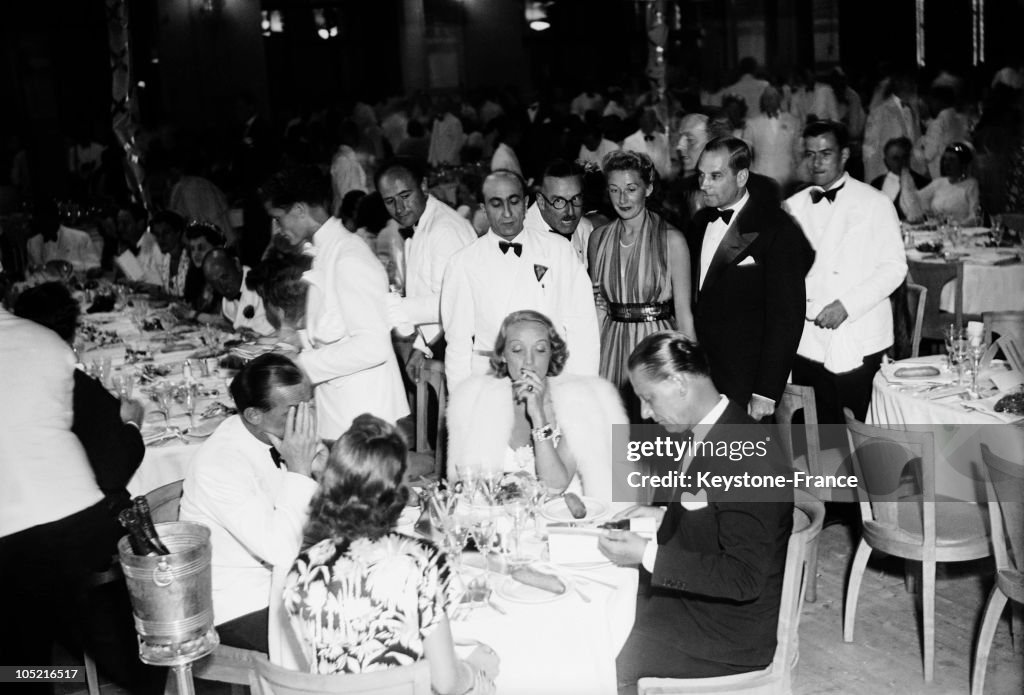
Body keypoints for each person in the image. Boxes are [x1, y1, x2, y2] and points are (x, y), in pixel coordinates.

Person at [599, 332, 793, 695]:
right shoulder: (705, 430)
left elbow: (744, 578)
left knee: (596, 660)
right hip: (695, 605)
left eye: (648, 398)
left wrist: (646, 554)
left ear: (678, 383)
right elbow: (711, 517)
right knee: (594, 618)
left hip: (725, 636)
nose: (644, 411)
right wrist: (662, 517)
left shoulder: (747, 455)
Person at [0, 295, 162, 694]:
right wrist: (131, 429)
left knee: (20, 669)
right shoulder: (44, 342)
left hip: (9, 545)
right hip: (80, 525)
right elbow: (111, 460)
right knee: (134, 664)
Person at [283, 414, 499, 694]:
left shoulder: (301, 569)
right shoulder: (421, 560)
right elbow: (446, 684)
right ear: (399, 490)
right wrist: (475, 669)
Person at [180, 354, 325, 653]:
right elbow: (280, 549)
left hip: (292, 577)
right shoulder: (220, 464)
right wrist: (299, 470)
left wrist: (323, 472)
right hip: (242, 602)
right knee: (351, 633)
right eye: (294, 412)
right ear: (254, 415)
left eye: (309, 405)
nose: (306, 419)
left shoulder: (287, 433)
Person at [262, 166, 409, 438]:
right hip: (341, 411)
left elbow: (372, 346)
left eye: (278, 218)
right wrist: (300, 340)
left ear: (299, 210)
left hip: (365, 420)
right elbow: (337, 327)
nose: (277, 228)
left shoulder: (348, 257)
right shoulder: (326, 251)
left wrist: (303, 363)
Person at [785, 120, 907, 424]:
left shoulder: (875, 203)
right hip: (808, 337)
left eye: (825, 154)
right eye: (810, 154)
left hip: (860, 333)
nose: (816, 162)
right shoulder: (791, 207)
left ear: (844, 155)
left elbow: (894, 267)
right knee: (813, 433)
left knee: (861, 429)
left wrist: (846, 306)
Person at [441, 169, 600, 391]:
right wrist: (462, 405)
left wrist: (582, 388)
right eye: (496, 204)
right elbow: (458, 344)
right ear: (484, 209)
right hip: (491, 382)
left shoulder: (559, 250)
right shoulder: (463, 263)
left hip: (552, 378)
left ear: (526, 204)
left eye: (513, 202)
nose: (507, 213)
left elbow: (583, 327)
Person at [689, 137, 811, 420]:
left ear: (741, 176)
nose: (704, 184)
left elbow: (787, 316)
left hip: (747, 380)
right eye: (701, 175)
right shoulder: (697, 225)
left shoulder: (777, 228)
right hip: (703, 376)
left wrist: (765, 391)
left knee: (745, 461)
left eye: (715, 176)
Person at [447, 310, 627, 499]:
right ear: (503, 355)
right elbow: (465, 486)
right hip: (504, 518)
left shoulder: (579, 403)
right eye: (517, 350)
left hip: (565, 519)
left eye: (540, 350)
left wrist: (538, 416)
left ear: (552, 354)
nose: (529, 361)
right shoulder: (476, 401)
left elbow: (554, 487)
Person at [13, 282, 146, 516]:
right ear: (72, 331)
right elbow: (114, 470)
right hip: (71, 520)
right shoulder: (71, 382)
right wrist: (132, 424)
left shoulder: (13, 378)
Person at [588, 151, 693, 407]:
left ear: (648, 188)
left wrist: (691, 374)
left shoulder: (672, 240)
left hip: (656, 347)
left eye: (631, 188)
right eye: (614, 190)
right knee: (615, 431)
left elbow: (684, 313)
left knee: (655, 434)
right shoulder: (598, 238)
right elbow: (596, 305)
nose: (622, 199)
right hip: (611, 346)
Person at [376, 157, 476, 379]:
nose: (400, 208)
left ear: (423, 186)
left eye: (405, 196)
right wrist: (422, 347)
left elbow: (451, 303)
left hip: (461, 348)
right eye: (390, 201)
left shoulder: (444, 230)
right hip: (440, 341)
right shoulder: (424, 222)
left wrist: (394, 308)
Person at [523, 159, 594, 267]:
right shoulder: (519, 237)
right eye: (559, 201)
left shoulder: (586, 229)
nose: (570, 211)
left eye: (575, 198)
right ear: (541, 201)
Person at [202, 248, 276, 336]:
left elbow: (283, 329)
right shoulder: (226, 302)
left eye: (224, 277)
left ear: (237, 264)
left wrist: (253, 334)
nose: (222, 287)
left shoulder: (265, 284)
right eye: (214, 283)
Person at [742, 87, 801, 188]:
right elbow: (744, 151)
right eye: (766, 98)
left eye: (772, 98)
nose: (768, 101)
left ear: (779, 100)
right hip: (762, 176)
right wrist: (752, 172)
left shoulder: (793, 121)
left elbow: (797, 150)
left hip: (787, 178)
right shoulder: (753, 123)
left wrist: (797, 174)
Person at [912, 142, 981, 224]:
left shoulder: (971, 185)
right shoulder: (939, 182)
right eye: (945, 159)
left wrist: (956, 225)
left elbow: (975, 216)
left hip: (962, 232)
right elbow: (916, 198)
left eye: (952, 160)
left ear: (963, 163)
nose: (946, 163)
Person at [25, 202, 101, 273]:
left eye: (47, 218)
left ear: (56, 218)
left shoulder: (81, 238)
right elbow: (30, 270)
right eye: (39, 220)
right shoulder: (32, 242)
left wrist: (66, 267)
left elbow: (94, 267)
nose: (43, 223)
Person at [869, 137, 930, 221]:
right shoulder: (876, 184)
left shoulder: (922, 183)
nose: (901, 162)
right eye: (895, 158)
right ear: (886, 161)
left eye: (904, 157)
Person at [622, 108, 673, 181]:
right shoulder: (629, 142)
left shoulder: (663, 138)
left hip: (662, 182)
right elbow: (627, 168)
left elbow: (667, 163)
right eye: (649, 120)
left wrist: (666, 176)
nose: (652, 123)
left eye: (653, 120)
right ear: (641, 121)